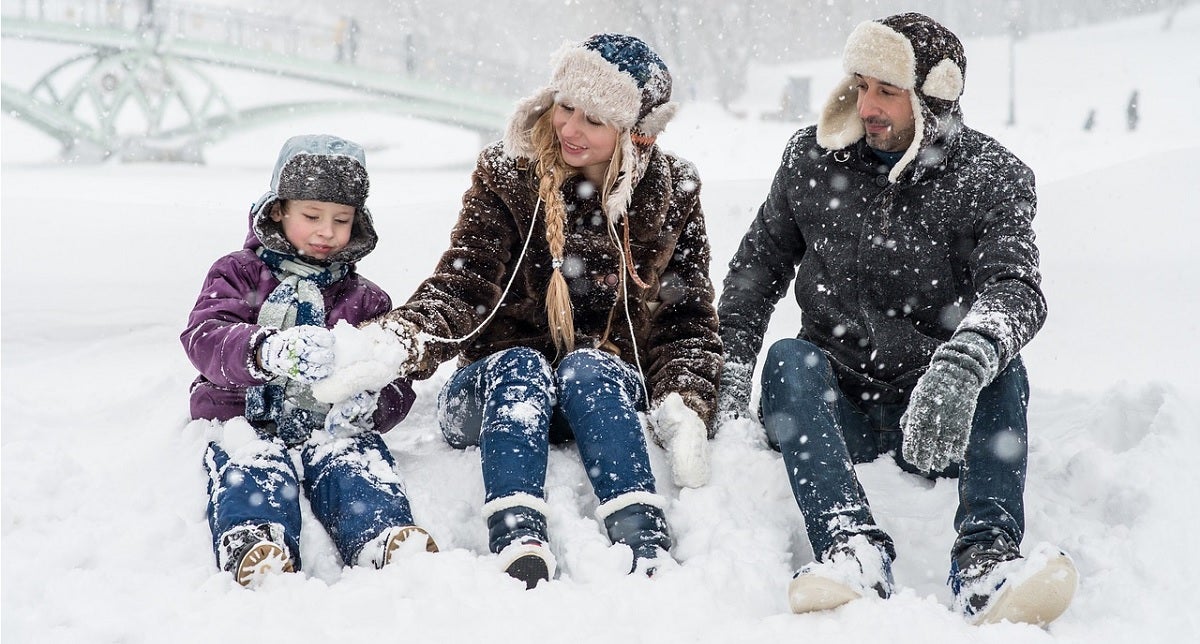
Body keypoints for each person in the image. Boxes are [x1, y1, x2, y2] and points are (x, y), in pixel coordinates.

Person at [716, 13, 1077, 626]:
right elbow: (754, 276)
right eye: (861, 85)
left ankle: (987, 564)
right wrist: (723, 380)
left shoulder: (990, 177)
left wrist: (961, 368)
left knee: (1001, 365)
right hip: (838, 407)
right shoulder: (810, 160)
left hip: (940, 415)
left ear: (932, 98)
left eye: (887, 90)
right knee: (786, 360)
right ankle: (850, 547)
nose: (868, 105)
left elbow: (1017, 289)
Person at [359, 34, 722, 588]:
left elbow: (686, 318)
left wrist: (686, 402)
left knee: (592, 367)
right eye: (565, 106)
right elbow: (464, 284)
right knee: (522, 368)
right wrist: (397, 341)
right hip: (494, 393)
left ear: (635, 135)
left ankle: (641, 534)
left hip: (597, 400)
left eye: (593, 120)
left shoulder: (674, 191)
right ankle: (517, 531)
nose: (569, 129)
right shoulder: (508, 174)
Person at [182, 134, 437, 587]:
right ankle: (255, 538)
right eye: (312, 216)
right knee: (252, 464)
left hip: (329, 425)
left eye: (341, 220)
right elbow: (205, 336)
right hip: (243, 415)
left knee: (355, 461)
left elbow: (394, 375)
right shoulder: (238, 273)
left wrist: (373, 403)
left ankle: (380, 534)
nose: (326, 232)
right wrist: (265, 350)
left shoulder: (366, 299)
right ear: (278, 209)